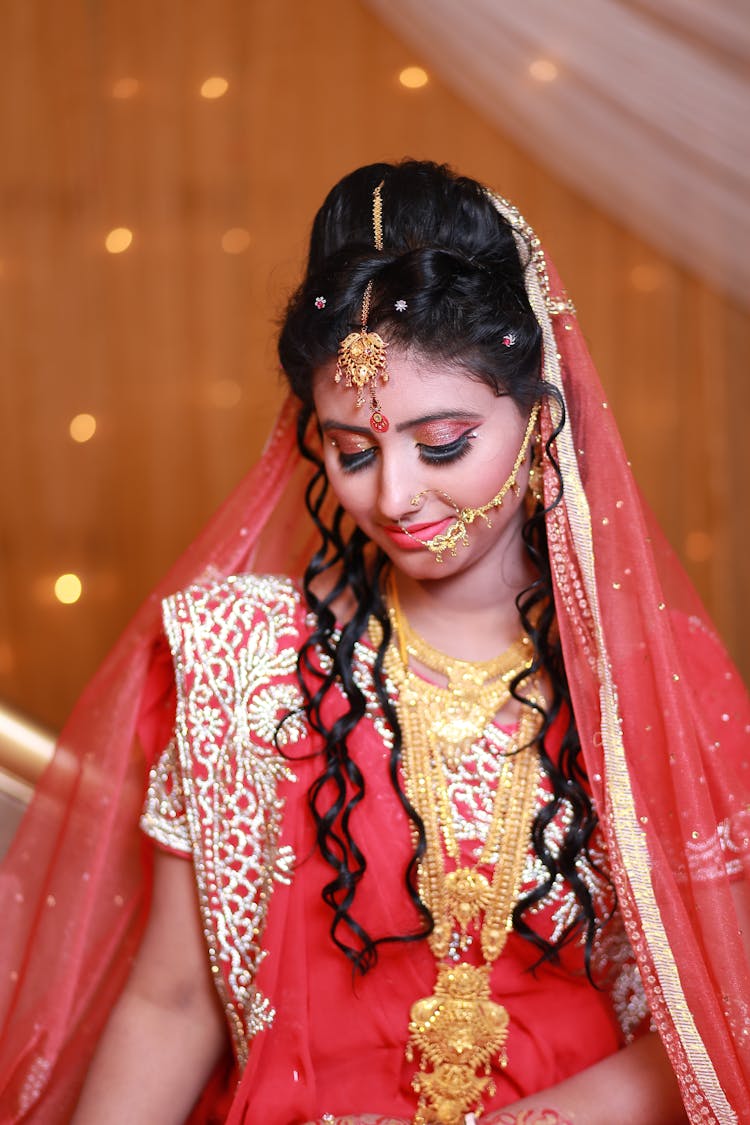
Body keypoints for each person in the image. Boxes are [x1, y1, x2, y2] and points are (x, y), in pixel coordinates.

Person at [0, 161, 748, 1125]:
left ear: (540, 416)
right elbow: (171, 999)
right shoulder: (245, 659)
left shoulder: (658, 680)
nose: (393, 496)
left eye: (441, 445)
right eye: (353, 450)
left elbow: (717, 1015)